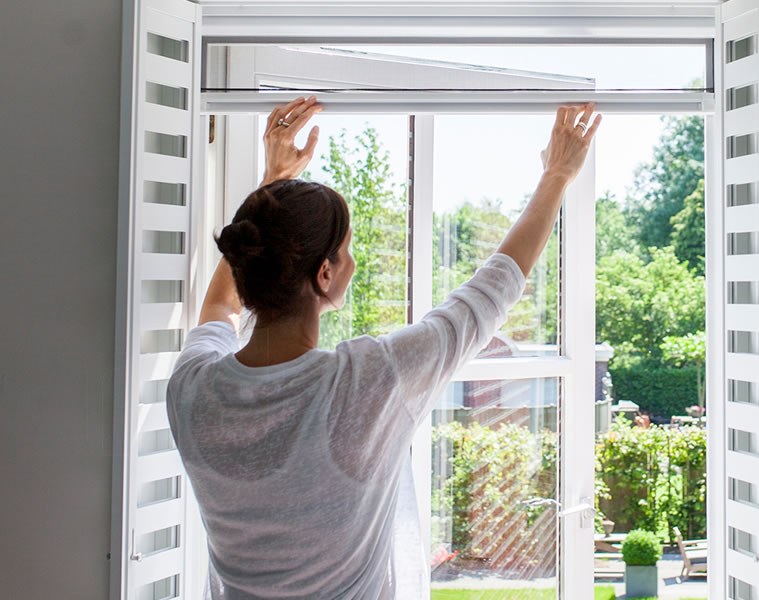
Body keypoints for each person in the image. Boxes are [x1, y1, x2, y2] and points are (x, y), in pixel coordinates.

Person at [166, 95, 601, 599]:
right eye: (346, 251)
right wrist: (556, 176)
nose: (352, 263)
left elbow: (218, 309)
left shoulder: (192, 388)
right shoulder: (363, 383)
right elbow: (487, 295)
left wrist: (269, 187)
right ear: (324, 273)